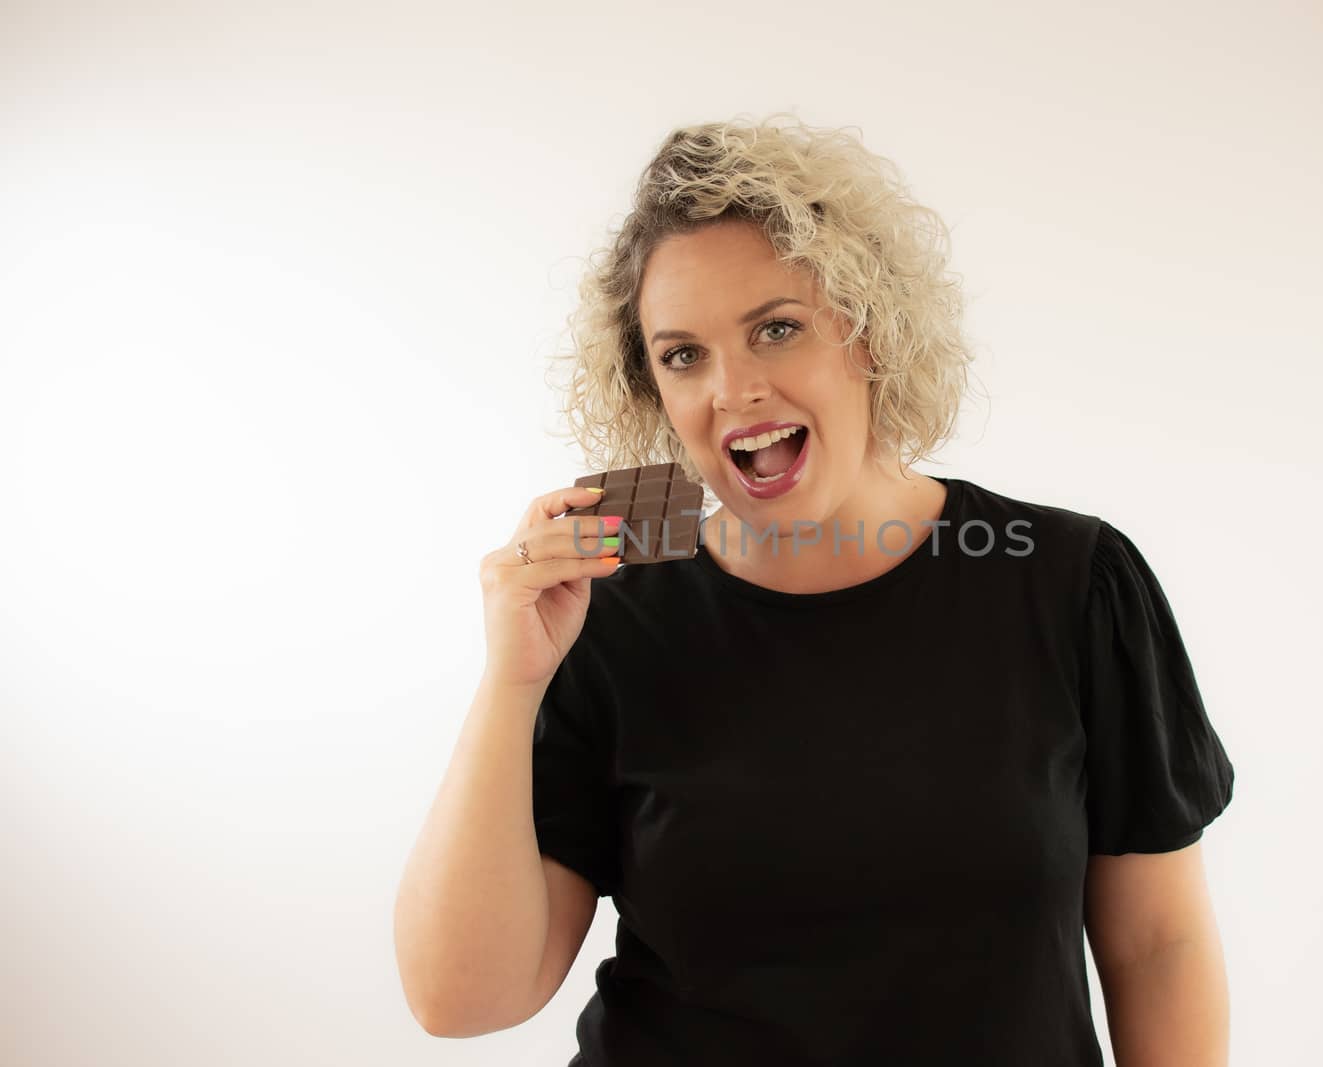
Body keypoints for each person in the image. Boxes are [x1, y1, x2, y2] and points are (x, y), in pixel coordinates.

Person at [394, 114, 1237, 1067]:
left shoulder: (1069, 581)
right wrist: (512, 680)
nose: (733, 390)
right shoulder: (611, 617)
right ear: (652, 391)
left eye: (778, 329)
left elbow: (1157, 944)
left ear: (870, 334)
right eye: (684, 355)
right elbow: (459, 1001)